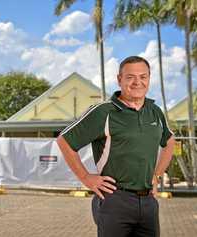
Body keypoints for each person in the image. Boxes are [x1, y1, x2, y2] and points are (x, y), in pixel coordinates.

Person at [56, 56, 175, 237]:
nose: (137, 82)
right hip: (114, 199)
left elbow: (169, 141)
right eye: (130, 77)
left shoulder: (155, 112)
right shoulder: (104, 111)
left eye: (143, 77)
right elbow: (64, 140)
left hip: (149, 200)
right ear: (119, 79)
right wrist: (86, 177)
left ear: (149, 79)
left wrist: (157, 175)